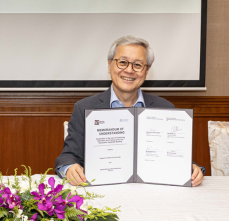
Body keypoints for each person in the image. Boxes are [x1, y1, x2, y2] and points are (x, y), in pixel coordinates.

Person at [55, 35, 205, 186]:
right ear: (109, 65)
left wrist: (191, 168)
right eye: (122, 62)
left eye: (138, 65)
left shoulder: (165, 109)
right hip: (102, 191)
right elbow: (68, 156)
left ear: (146, 70)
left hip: (153, 192)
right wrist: (70, 168)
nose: (129, 70)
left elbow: (175, 156)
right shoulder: (84, 108)